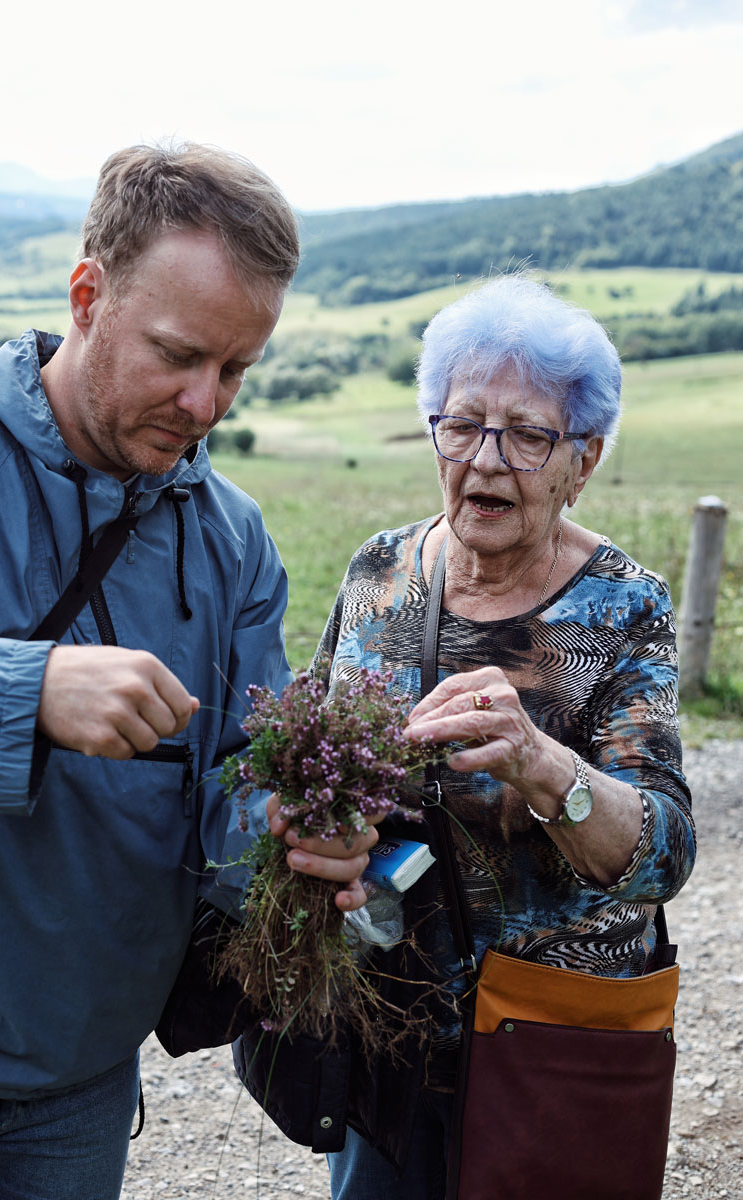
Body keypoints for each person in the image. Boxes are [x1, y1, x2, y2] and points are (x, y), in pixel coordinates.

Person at [0, 142, 376, 1200]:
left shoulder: (231, 539)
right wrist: (25, 689)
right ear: (88, 294)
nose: (203, 403)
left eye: (234, 369)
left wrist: (292, 827)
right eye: (178, 355)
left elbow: (236, 772)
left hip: (81, 1073)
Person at [237, 274, 696, 1198]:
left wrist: (542, 764)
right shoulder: (378, 571)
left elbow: (665, 853)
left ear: (584, 459)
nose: (487, 461)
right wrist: (309, 827)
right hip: (385, 1023)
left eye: (528, 433)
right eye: (462, 424)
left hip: (550, 1046)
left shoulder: (624, 607)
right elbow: (301, 762)